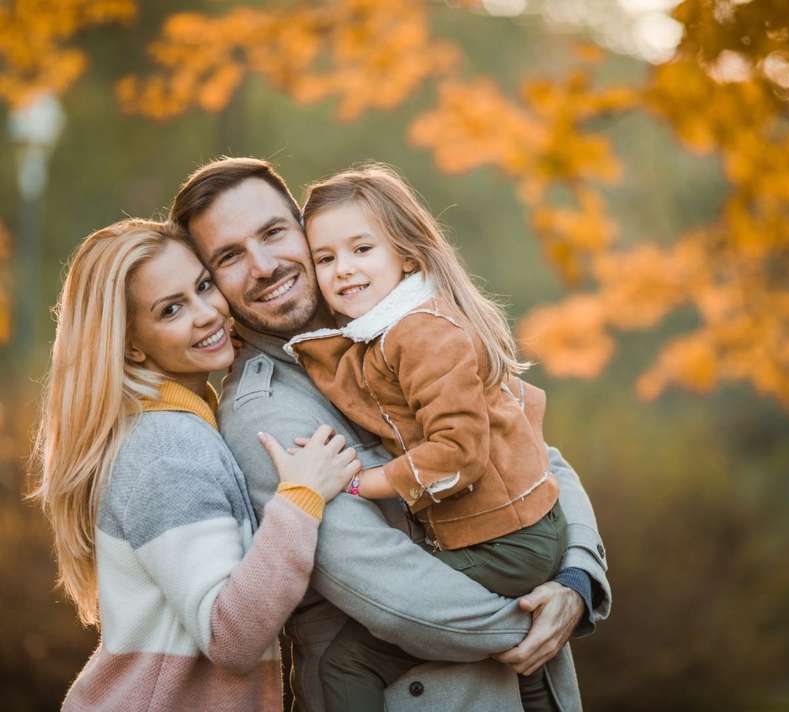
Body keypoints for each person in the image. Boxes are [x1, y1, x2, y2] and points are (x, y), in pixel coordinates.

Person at [170, 157, 612, 712]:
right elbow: (384, 586)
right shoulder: (268, 407)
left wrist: (576, 579)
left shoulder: (400, 327)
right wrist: (538, 621)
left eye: (274, 233)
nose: (262, 266)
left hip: (528, 683)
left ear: (305, 230)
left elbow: (530, 454)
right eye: (229, 256)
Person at [31, 219, 360, 711]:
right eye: (171, 309)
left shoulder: (175, 423)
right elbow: (232, 638)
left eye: (203, 287)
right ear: (132, 344)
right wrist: (301, 498)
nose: (208, 314)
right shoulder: (169, 447)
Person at [285, 163, 565, 711]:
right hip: (509, 533)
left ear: (406, 255)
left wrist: (368, 484)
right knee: (519, 662)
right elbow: (523, 406)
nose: (343, 270)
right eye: (325, 258)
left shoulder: (420, 332)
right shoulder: (387, 331)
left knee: (347, 660)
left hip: (507, 542)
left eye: (362, 249)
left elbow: (460, 451)